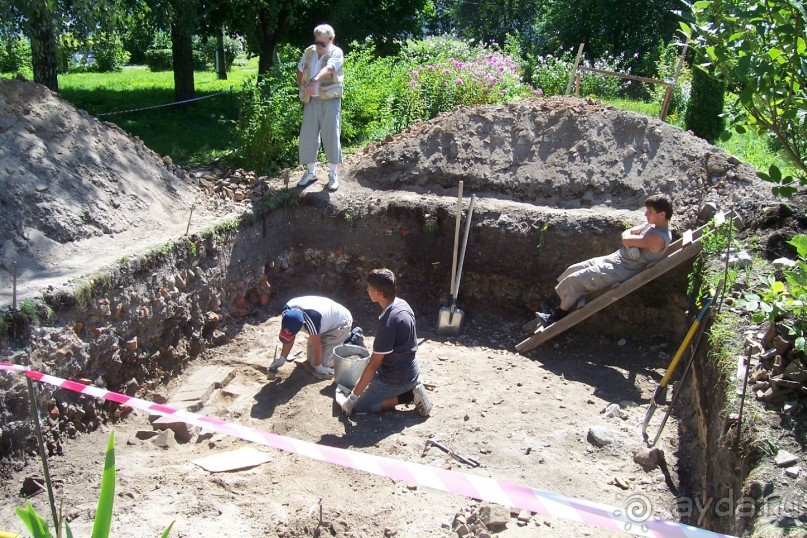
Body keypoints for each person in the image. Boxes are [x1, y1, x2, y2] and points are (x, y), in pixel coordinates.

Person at [538, 194, 674, 326]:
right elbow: (626, 233)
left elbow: (626, 238)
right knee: (573, 269)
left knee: (575, 279)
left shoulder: (658, 238)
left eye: (649, 212)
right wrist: (630, 243)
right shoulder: (651, 226)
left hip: (620, 269)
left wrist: (628, 242)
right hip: (616, 259)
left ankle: (557, 316)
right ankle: (560, 307)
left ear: (662, 214)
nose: (646, 215)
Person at [340, 269, 432, 417]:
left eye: (369, 288)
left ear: (380, 294)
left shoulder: (389, 322)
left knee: (360, 408)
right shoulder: (402, 305)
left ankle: (409, 396)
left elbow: (374, 365)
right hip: (410, 369)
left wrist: (352, 399)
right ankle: (411, 387)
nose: (367, 290)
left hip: (395, 378)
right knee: (362, 380)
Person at [296, 23, 344, 192]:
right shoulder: (310, 51)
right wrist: (302, 86)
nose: (319, 46)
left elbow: (330, 69)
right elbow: (300, 68)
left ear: (332, 39)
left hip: (330, 100)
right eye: (317, 42)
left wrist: (314, 81)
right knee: (308, 135)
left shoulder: (336, 52)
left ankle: (332, 173)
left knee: (330, 134)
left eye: (322, 43)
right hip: (312, 100)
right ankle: (310, 172)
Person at [269, 296, 353, 380]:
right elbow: (289, 337)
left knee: (323, 364)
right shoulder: (287, 311)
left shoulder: (311, 319)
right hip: (324, 322)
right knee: (310, 361)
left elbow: (317, 345)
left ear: (302, 324)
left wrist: (319, 366)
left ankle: (351, 340)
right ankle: (336, 342)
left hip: (340, 323)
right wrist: (282, 358)